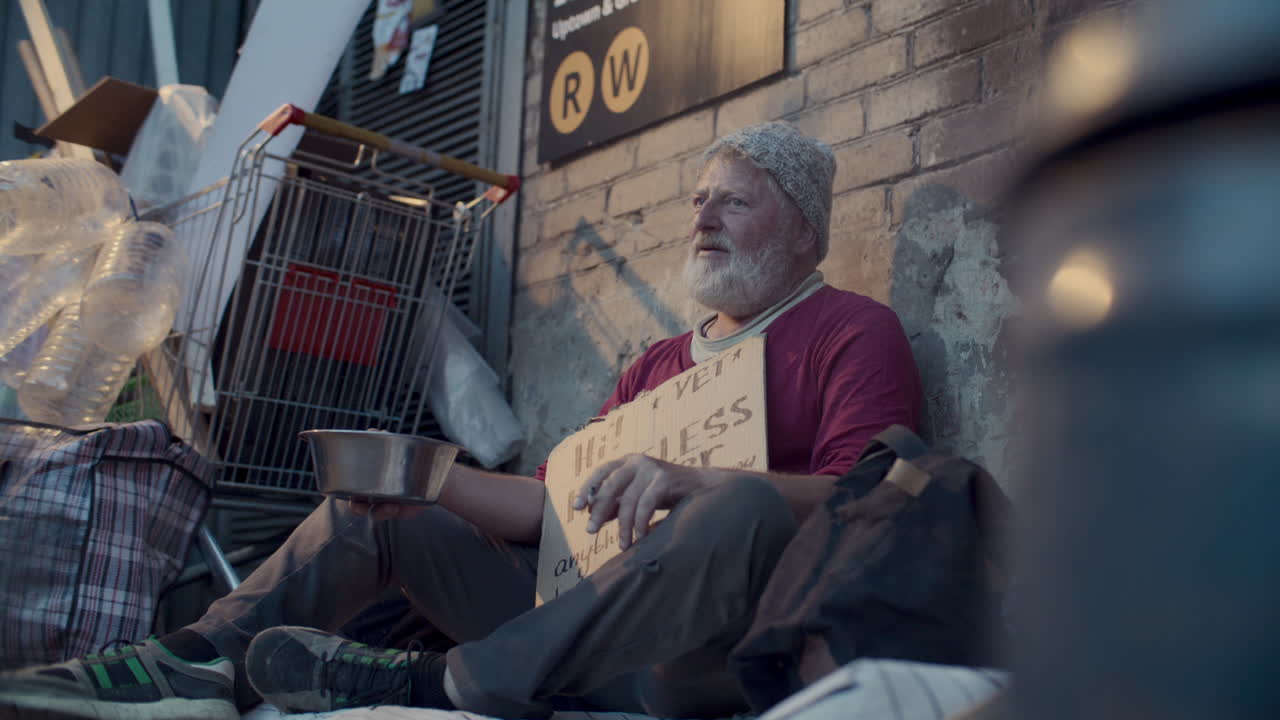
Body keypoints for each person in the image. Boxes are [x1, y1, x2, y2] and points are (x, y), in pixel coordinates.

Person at [0, 122, 923, 720]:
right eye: (697, 199)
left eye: (734, 199)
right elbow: (550, 507)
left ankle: (441, 683)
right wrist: (423, 474)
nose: (701, 218)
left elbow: (871, 500)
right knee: (383, 506)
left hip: (703, 657)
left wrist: (708, 483)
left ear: (804, 228)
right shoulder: (655, 366)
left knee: (744, 513)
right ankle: (193, 663)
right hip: (579, 635)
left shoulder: (849, 330)